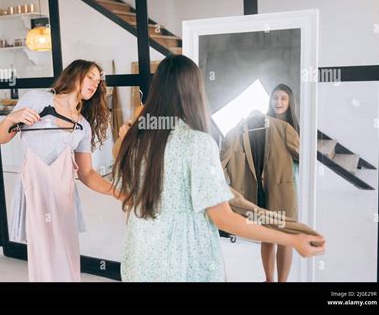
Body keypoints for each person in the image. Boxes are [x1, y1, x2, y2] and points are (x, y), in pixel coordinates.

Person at [112, 55, 325, 282]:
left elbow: (118, 158)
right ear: (193, 91)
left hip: (140, 257)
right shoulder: (197, 143)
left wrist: (133, 124)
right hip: (185, 262)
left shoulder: (134, 141)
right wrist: (291, 239)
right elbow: (226, 220)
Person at [0, 59, 119, 281]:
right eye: (90, 76)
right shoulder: (36, 99)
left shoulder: (83, 126)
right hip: (36, 193)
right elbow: (0, 138)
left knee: (66, 251)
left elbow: (87, 173)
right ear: (75, 74)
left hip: (63, 197)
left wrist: (117, 191)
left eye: (98, 81)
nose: (94, 83)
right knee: (42, 251)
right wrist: (12, 118)